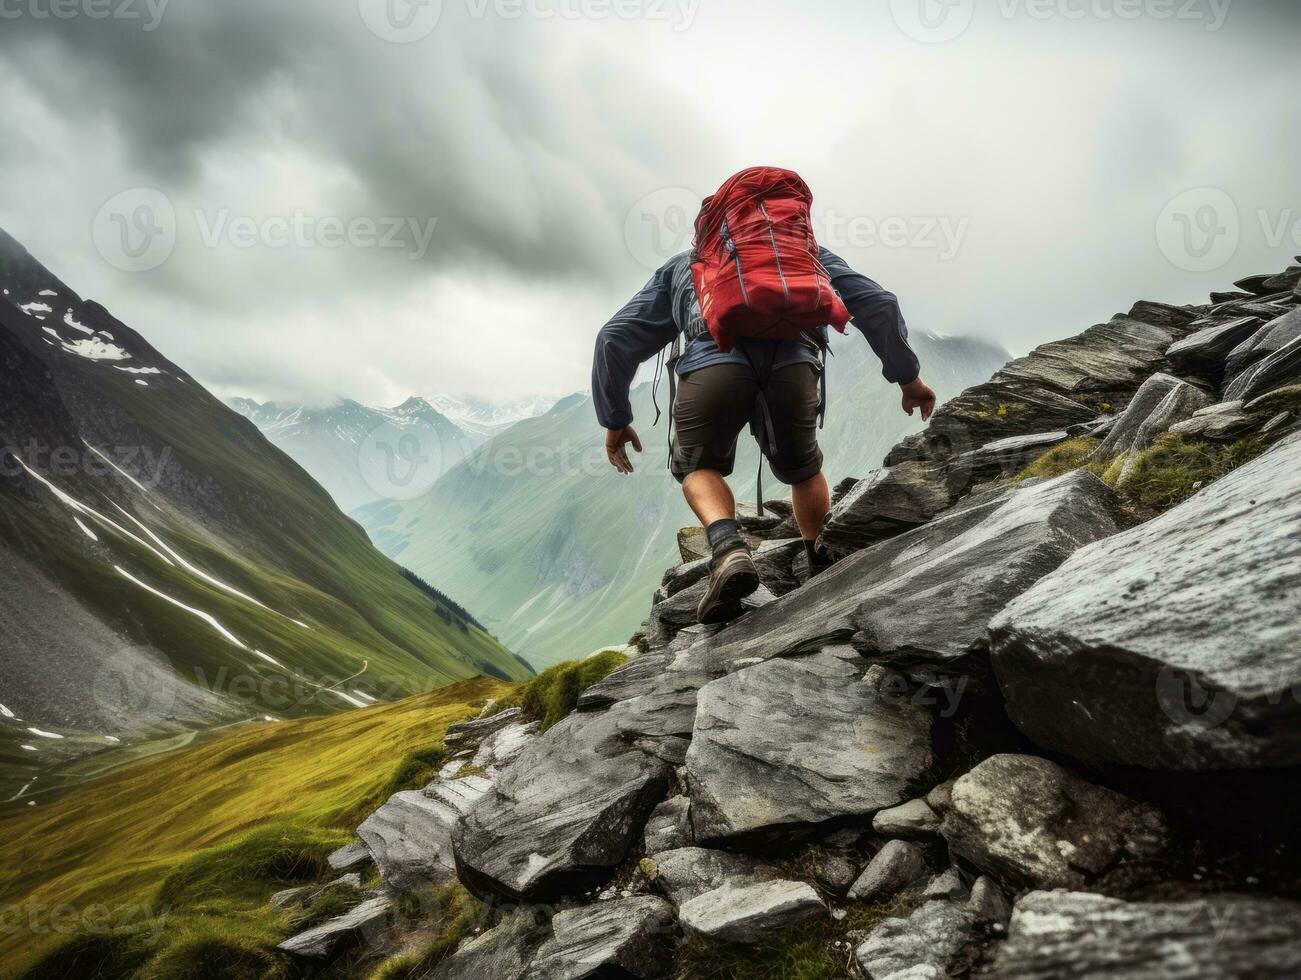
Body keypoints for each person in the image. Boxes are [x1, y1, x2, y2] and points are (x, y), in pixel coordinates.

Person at [592, 244, 936, 625]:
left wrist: (615, 418)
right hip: (792, 365)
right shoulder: (805, 252)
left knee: (698, 466)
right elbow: (880, 303)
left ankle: (728, 549)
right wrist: (908, 378)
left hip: (712, 365)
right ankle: (821, 567)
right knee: (803, 469)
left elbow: (614, 336)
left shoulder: (685, 265)